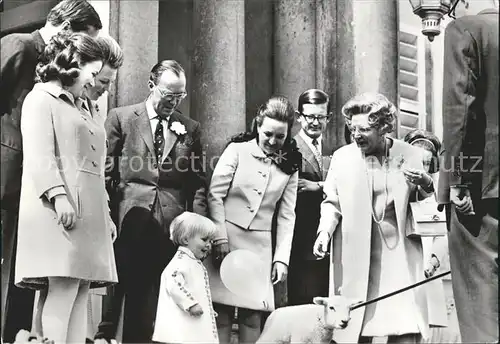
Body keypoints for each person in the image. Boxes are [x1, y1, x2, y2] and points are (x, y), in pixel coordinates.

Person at [0, 1, 102, 340]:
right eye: (81, 39)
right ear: (65, 28)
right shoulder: (20, 46)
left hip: (29, 188)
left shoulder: (63, 76)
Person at [15, 32, 117, 344]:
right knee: (63, 287)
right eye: (94, 73)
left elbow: (95, 167)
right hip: (59, 208)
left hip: (90, 212)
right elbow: (39, 155)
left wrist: (107, 213)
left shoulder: (87, 107)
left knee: (80, 289)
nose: (95, 82)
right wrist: (59, 196)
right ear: (73, 65)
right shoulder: (40, 99)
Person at [96, 60, 208, 343]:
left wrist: (195, 229)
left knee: (154, 300)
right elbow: (105, 174)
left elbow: (196, 182)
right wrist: (107, 216)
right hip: (128, 219)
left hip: (168, 226)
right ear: (151, 86)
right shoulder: (121, 118)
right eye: (168, 94)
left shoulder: (189, 127)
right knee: (121, 293)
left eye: (180, 96)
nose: (174, 101)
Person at [313, 93, 435, 344]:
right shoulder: (342, 157)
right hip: (355, 253)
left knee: (403, 326)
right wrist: (324, 232)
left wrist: (425, 182)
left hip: (399, 254)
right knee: (354, 325)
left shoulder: (410, 154)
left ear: (383, 128)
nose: (356, 135)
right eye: (352, 128)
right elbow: (332, 201)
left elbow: (427, 204)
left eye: (364, 129)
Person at [206, 96, 300, 344]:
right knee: (222, 313)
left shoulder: (290, 165)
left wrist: (281, 258)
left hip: (259, 248)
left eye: (280, 137)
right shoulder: (236, 150)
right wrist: (219, 238)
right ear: (257, 126)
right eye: (268, 133)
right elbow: (215, 195)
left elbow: (287, 214)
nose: (272, 141)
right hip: (226, 241)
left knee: (252, 316)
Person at [439, 1, 499, 342]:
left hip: (481, 190)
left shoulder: (465, 29)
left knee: (481, 315)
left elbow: (460, 109)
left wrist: (459, 180)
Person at [287, 89, 332, 306]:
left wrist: (319, 186)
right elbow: (292, 187)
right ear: (298, 116)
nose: (315, 122)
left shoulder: (335, 149)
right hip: (301, 237)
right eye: (309, 117)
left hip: (331, 237)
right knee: (304, 301)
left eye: (320, 117)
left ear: (328, 118)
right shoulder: (289, 147)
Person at [403, 129, 449, 333]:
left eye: (426, 163)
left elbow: (444, 230)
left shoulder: (438, 190)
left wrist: (434, 260)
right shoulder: (396, 184)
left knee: (421, 327)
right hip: (401, 264)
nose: (420, 168)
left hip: (426, 265)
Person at [152, 212, 218, 344]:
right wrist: (190, 303)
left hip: (192, 324)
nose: (209, 245)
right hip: (180, 325)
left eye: (211, 241)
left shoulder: (194, 262)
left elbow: (197, 289)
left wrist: (207, 306)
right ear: (186, 239)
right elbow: (174, 284)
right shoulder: (180, 261)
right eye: (204, 239)